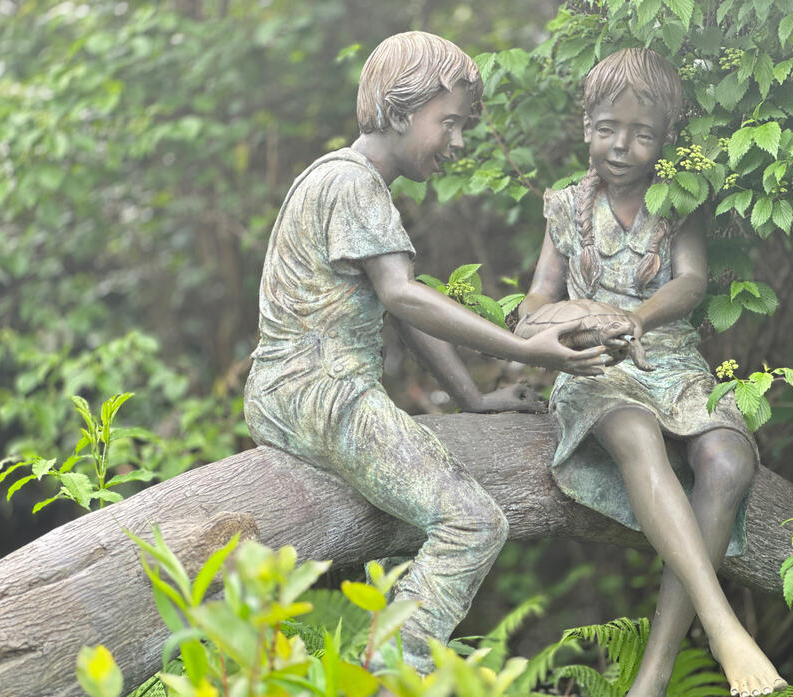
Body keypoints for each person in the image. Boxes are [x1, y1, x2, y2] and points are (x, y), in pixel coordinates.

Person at [243, 31, 608, 674]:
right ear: (401, 108)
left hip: (291, 389)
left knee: (411, 522)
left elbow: (399, 307)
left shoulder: (351, 182)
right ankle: (390, 674)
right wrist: (528, 346)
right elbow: (405, 297)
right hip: (317, 390)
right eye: (451, 123)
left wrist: (472, 399)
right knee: (473, 523)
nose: (459, 143)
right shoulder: (351, 183)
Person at [516, 48, 787, 697]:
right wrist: (571, 318)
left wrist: (640, 315)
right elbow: (533, 302)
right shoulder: (562, 208)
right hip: (595, 366)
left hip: (667, 356)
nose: (622, 145)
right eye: (609, 128)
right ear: (586, 127)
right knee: (634, 431)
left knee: (727, 459)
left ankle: (654, 671)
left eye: (641, 134)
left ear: (665, 137)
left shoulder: (677, 200)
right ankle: (722, 630)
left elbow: (692, 280)